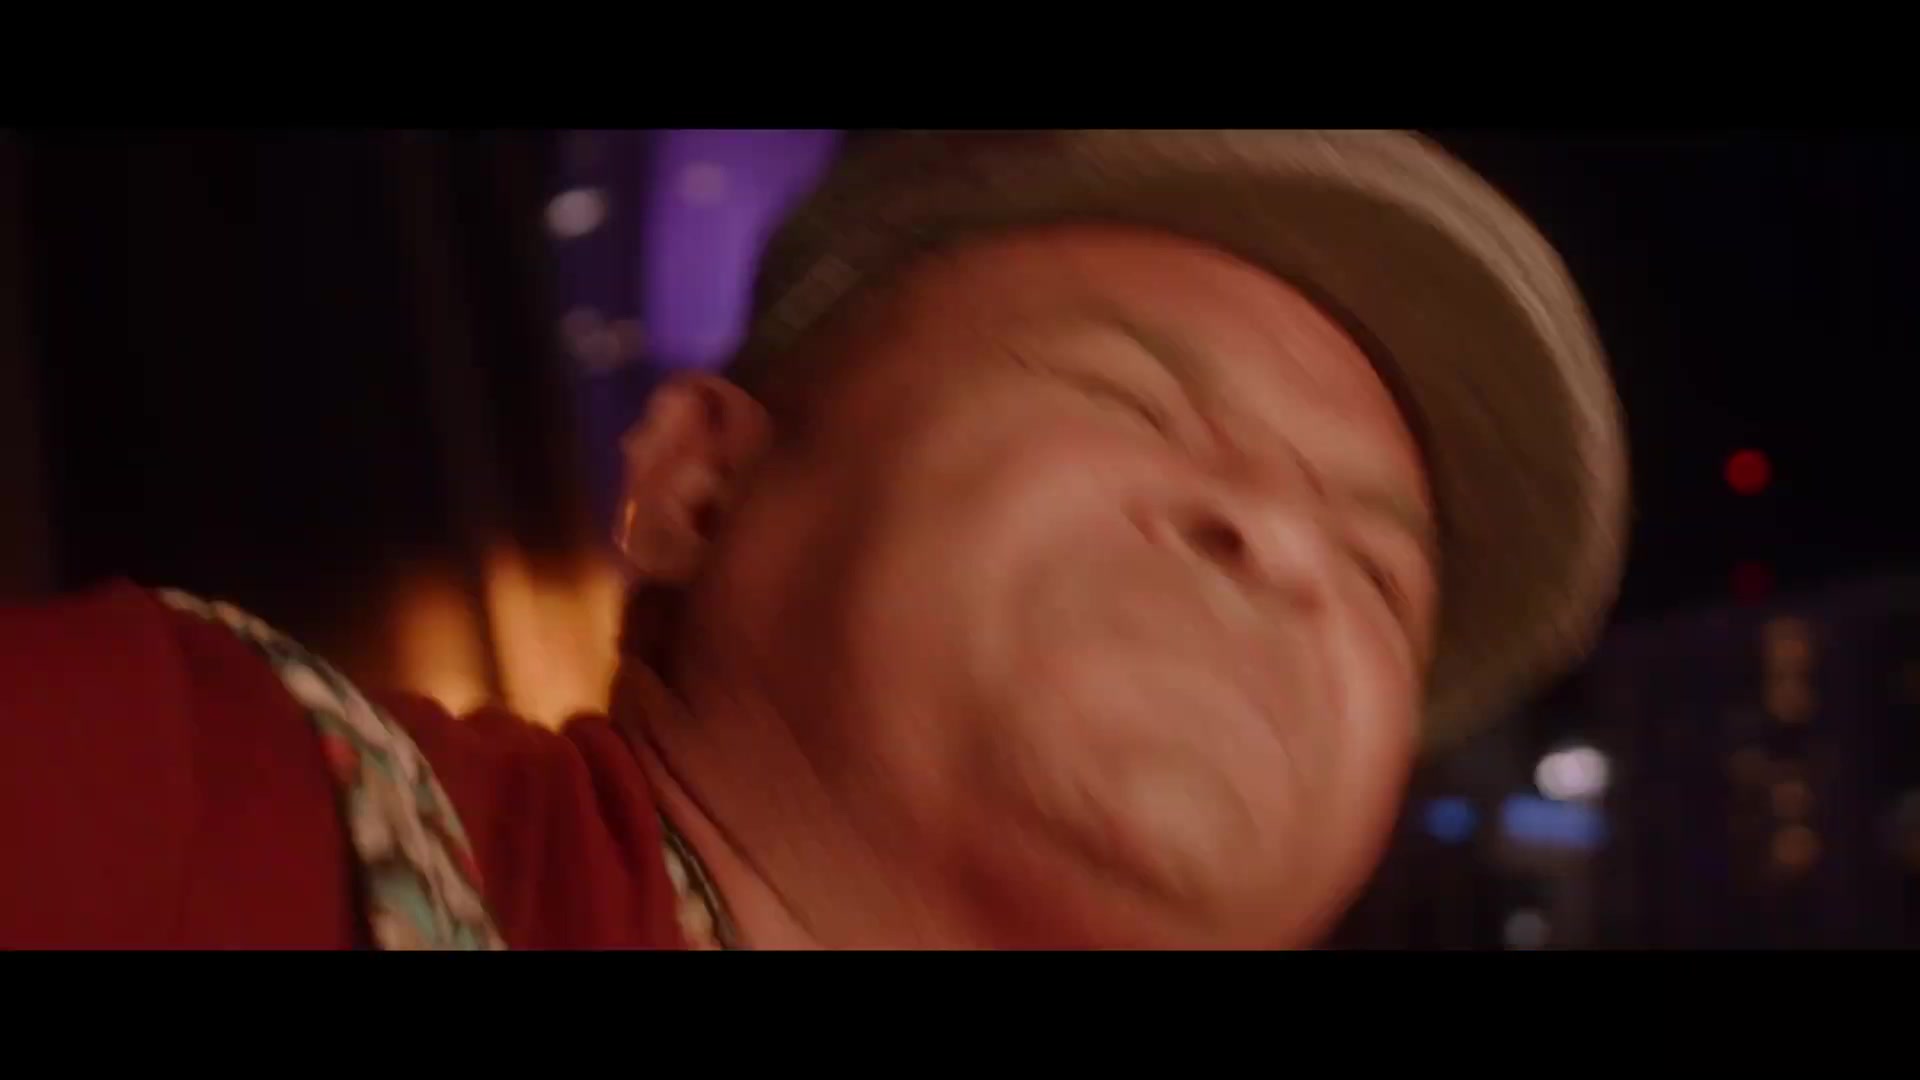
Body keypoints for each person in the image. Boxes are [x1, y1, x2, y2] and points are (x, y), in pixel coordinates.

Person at [0, 130, 1628, 950]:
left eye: (1380, 573)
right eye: (1132, 398)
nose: (1277, 536)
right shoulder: (175, 803)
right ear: (697, 486)